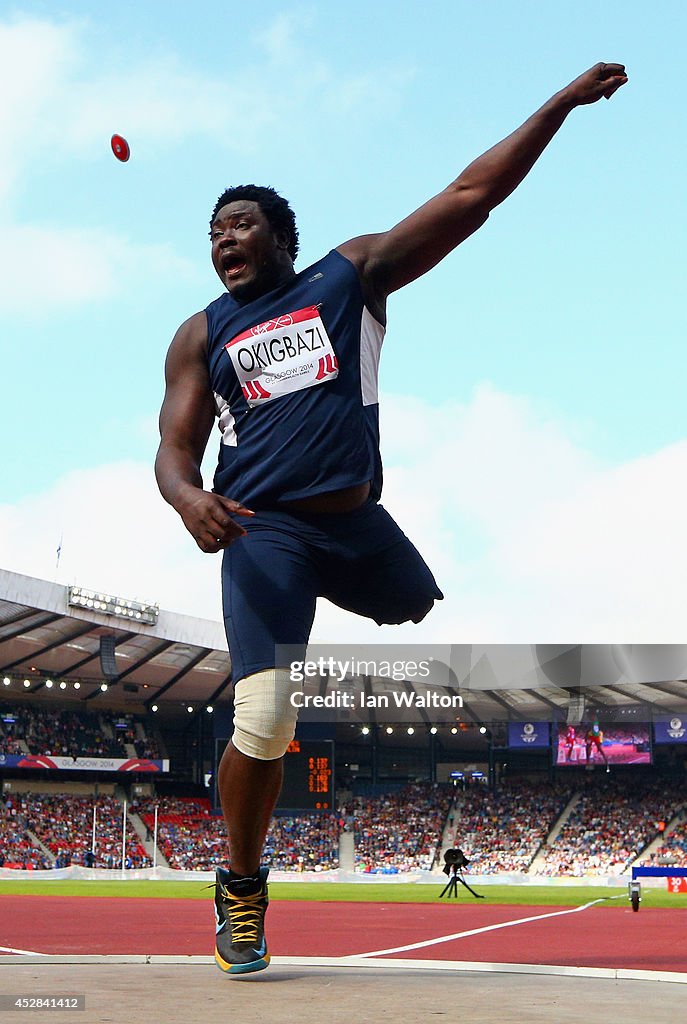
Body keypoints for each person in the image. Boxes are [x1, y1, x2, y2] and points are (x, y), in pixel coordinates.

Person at [155, 62, 628, 976]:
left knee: (415, 607)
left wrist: (556, 107)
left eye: (242, 224)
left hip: (355, 523)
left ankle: (345, 593)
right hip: (263, 528)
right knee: (264, 714)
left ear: (284, 240)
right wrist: (187, 498)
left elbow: (469, 195)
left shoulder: (350, 275)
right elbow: (173, 449)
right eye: (213, 231)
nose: (224, 240)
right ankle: (242, 888)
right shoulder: (200, 334)